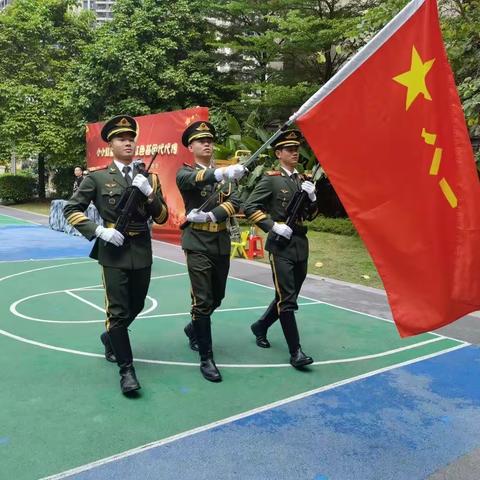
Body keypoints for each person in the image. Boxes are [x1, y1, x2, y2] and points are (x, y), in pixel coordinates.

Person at [64, 115, 168, 395]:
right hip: (113, 250)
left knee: (136, 305)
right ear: (111, 144)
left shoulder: (150, 178)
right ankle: (127, 370)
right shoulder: (97, 177)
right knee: (118, 312)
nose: (128, 143)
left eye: (131, 138)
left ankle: (110, 336)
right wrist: (98, 231)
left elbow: (162, 216)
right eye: (121, 138)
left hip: (141, 250)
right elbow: (71, 210)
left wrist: (149, 194)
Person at [176, 121, 246, 382]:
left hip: (220, 241)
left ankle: (192, 327)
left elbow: (236, 201)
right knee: (203, 300)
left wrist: (212, 213)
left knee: (218, 297)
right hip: (196, 243)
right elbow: (189, 181)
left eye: (209, 140)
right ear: (191, 147)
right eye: (201, 141)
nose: (207, 144)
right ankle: (207, 358)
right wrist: (220, 174)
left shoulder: (225, 175)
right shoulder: (186, 172)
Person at [243, 129, 318, 368]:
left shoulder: (303, 180)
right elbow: (249, 206)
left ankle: (260, 326)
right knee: (287, 299)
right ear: (278, 153)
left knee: (287, 295)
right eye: (289, 149)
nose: (295, 152)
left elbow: (311, 216)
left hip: (300, 244)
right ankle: (296, 352)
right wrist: (272, 225)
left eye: (297, 149)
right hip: (280, 245)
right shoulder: (271, 179)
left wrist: (314, 197)